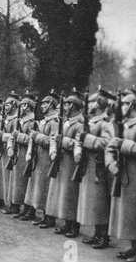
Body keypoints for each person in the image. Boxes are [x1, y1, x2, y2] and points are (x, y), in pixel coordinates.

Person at [105, 89, 136, 262]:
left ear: (132, 106)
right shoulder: (124, 125)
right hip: (123, 175)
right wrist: (111, 164)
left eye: (123, 104)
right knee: (128, 214)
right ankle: (133, 247)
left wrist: (125, 145)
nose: (120, 107)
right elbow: (111, 146)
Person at [74, 88, 115, 249]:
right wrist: (78, 150)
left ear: (98, 104)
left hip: (99, 166)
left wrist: (88, 140)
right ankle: (97, 234)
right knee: (92, 201)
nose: (88, 104)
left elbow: (108, 142)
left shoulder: (105, 122)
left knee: (100, 201)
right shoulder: (90, 121)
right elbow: (80, 139)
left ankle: (104, 236)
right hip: (88, 164)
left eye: (91, 102)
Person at [46, 90, 84, 238]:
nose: (65, 106)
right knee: (63, 193)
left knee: (72, 193)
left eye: (68, 104)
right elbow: (54, 138)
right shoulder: (65, 121)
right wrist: (53, 151)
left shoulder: (80, 123)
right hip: (62, 160)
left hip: (72, 161)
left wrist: (65, 142)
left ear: (74, 106)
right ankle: (66, 224)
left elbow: (79, 142)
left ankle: (74, 226)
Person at [24, 91, 60, 228]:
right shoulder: (45, 120)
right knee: (39, 185)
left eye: (45, 103)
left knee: (46, 186)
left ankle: (49, 216)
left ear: (51, 105)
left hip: (47, 157)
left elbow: (52, 140)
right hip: (40, 155)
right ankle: (43, 213)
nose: (42, 106)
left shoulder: (55, 121)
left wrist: (36, 136)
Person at [7, 92, 36, 219]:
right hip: (19, 152)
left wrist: (18, 136)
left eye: (23, 105)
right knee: (17, 181)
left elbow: (31, 138)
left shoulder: (31, 121)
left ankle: (27, 208)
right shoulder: (21, 120)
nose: (21, 107)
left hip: (26, 153)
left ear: (28, 107)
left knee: (24, 182)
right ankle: (17, 205)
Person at [0, 92, 21, 215]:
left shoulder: (16, 119)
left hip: (12, 149)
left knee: (13, 178)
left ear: (14, 105)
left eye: (8, 105)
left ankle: (14, 204)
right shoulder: (7, 118)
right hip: (5, 149)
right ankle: (8, 202)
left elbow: (14, 134)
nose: (5, 107)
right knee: (6, 178)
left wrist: (3, 136)